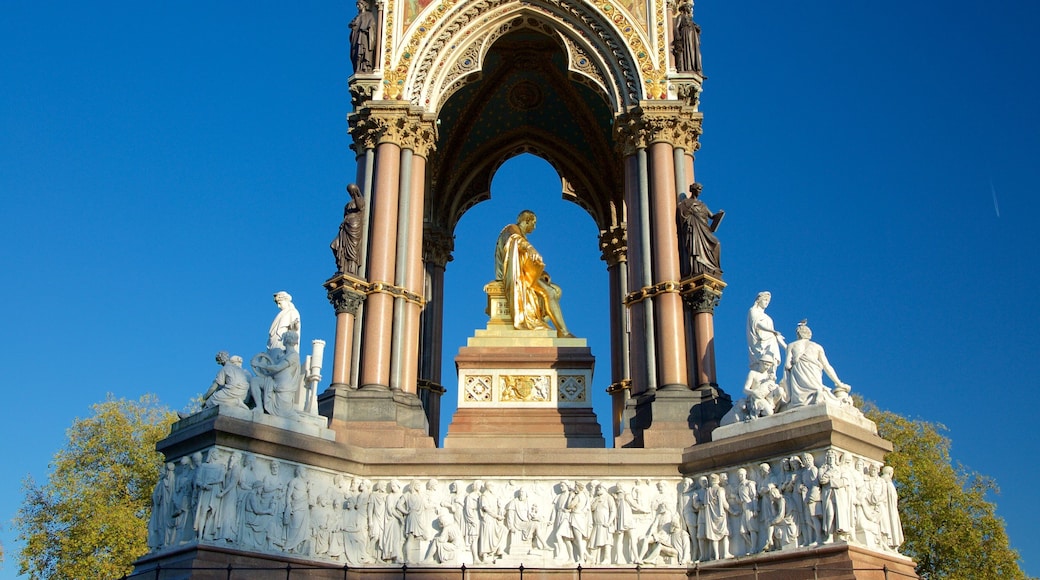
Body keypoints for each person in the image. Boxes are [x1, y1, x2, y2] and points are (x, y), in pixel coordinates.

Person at [494, 210, 574, 337]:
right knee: (550, 292)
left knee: (557, 290)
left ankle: (542, 321)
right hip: (516, 278)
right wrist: (529, 247)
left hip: (524, 277)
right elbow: (514, 240)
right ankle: (563, 332)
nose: (534, 227)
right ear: (527, 221)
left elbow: (526, 263)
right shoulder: (511, 229)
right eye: (534, 223)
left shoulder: (521, 235)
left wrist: (543, 275)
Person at [783, 321, 847, 408]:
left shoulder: (791, 345)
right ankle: (817, 392)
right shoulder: (817, 346)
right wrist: (839, 383)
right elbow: (827, 366)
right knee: (818, 389)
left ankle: (806, 397)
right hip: (813, 373)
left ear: (798, 334)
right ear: (809, 334)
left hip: (799, 376)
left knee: (799, 400)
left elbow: (787, 365)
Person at [251, 330, 302, 419]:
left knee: (283, 412)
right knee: (255, 381)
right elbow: (273, 368)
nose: (283, 340)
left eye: (284, 338)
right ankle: (259, 407)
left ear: (287, 340)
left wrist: (259, 364)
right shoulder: (282, 354)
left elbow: (277, 368)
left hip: (283, 387)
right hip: (274, 382)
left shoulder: (294, 355)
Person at [676, 182, 723, 277]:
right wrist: (691, 216)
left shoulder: (702, 205)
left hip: (704, 230)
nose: (699, 191)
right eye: (698, 189)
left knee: (716, 243)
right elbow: (683, 216)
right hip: (694, 229)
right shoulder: (685, 203)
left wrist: (719, 215)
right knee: (695, 247)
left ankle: (712, 267)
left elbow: (712, 216)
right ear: (692, 190)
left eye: (700, 189)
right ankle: (697, 269)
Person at [331, 183, 366, 275]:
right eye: (350, 191)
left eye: (352, 191)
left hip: (354, 227)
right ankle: (342, 267)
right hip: (346, 226)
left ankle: (351, 270)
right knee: (335, 245)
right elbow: (345, 215)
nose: (351, 193)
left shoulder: (360, 200)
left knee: (352, 250)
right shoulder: (347, 205)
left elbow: (360, 207)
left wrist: (356, 196)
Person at [746, 291, 784, 373]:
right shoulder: (753, 310)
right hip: (759, 342)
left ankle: (771, 376)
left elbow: (774, 334)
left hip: (770, 340)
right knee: (762, 362)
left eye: (768, 301)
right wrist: (771, 331)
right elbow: (757, 324)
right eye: (765, 300)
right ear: (759, 300)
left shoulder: (767, 317)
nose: (767, 302)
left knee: (772, 359)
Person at [671, 2, 702, 73]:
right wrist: (677, 36)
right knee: (687, 50)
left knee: (692, 50)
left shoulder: (690, 19)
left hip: (692, 35)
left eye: (690, 8)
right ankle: (688, 67)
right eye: (689, 7)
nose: (690, 9)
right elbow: (676, 27)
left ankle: (694, 68)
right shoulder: (681, 16)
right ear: (685, 8)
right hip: (685, 34)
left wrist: (696, 28)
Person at [349, 0, 377, 73]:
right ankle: (358, 68)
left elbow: (372, 25)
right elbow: (352, 24)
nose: (358, 6)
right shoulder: (357, 17)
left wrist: (367, 29)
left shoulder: (369, 15)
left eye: (359, 4)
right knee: (356, 53)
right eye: (357, 5)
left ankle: (365, 67)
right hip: (357, 36)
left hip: (364, 36)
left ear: (364, 5)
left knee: (363, 51)